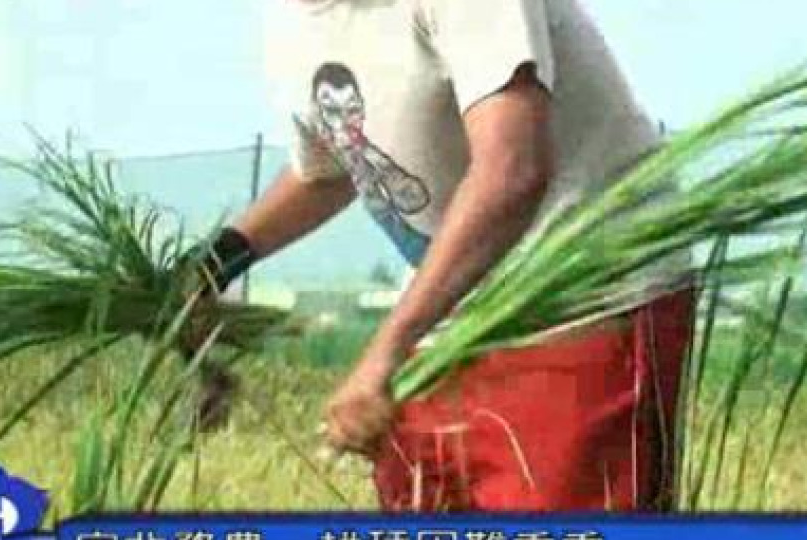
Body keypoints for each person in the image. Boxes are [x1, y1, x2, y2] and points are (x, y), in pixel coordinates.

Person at [186, 0, 695, 511]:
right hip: (451, 314)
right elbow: (332, 170)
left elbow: (511, 171)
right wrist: (211, 266)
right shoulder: (293, 19)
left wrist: (383, 355)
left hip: (576, 300)